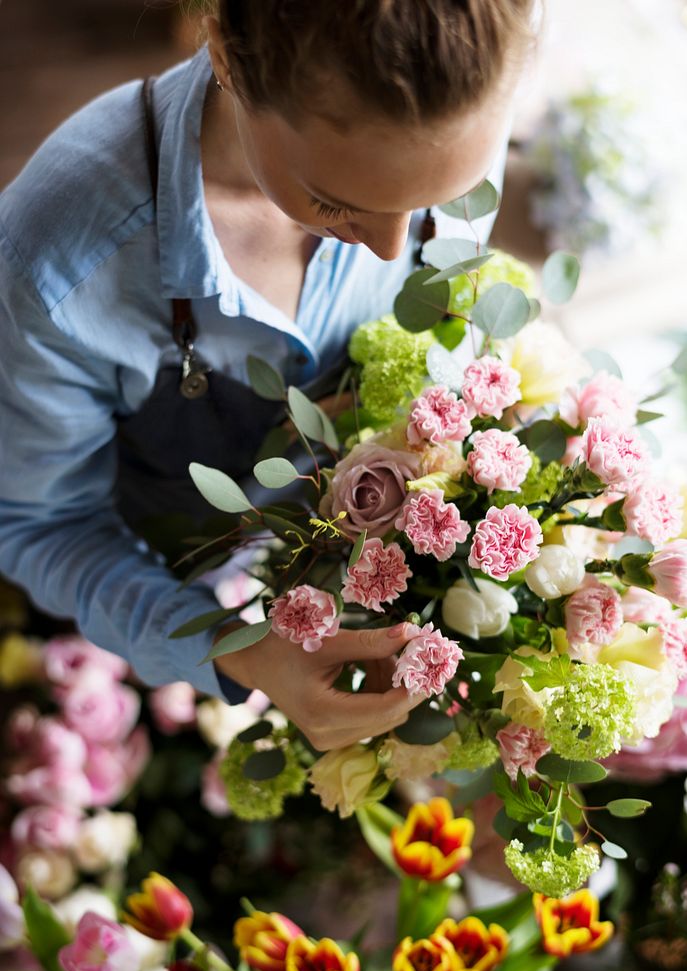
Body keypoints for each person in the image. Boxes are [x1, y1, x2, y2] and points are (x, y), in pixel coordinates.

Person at [0, 1, 534, 750]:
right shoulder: (61, 261)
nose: (390, 248)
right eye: (334, 203)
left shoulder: (459, 95)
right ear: (226, 50)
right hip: (144, 605)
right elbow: (43, 524)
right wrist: (237, 649)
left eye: (433, 198)